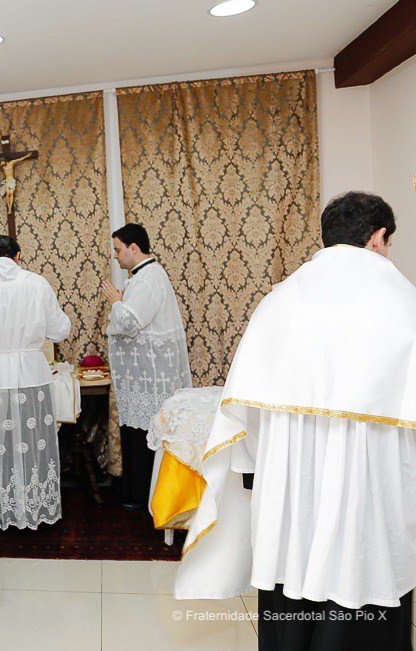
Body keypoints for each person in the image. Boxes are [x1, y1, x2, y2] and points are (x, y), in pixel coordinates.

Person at [176, 192, 416, 650]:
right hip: (368, 484)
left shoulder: (280, 300)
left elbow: (246, 409)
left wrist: (258, 467)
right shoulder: (402, 300)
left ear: (326, 239)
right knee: (361, 563)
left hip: (290, 483)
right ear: (379, 237)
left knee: (291, 561)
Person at [0, 235, 71, 530]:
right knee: (30, 444)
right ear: (18, 256)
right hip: (29, 374)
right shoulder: (37, 283)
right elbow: (60, 330)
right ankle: (32, 506)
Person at [100, 223, 192, 510]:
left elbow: (129, 322)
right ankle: (136, 490)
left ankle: (141, 495)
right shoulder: (143, 277)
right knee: (138, 433)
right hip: (142, 376)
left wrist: (116, 302)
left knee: (144, 436)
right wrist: (121, 302)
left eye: (118, 250)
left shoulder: (149, 278)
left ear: (133, 248)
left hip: (150, 377)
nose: (115, 256)